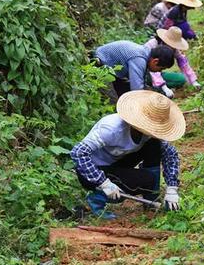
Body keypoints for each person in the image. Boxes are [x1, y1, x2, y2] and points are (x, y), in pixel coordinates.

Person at [70, 90, 185, 219]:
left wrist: (172, 188)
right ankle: (97, 198)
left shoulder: (150, 135)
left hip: (117, 162)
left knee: (154, 146)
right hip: (93, 171)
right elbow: (78, 152)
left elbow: (170, 154)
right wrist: (103, 182)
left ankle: (152, 199)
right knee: (147, 179)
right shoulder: (111, 129)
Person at [93, 40, 175, 98]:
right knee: (114, 103)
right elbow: (137, 91)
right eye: (161, 68)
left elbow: (143, 84)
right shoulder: (139, 59)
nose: (159, 71)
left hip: (112, 70)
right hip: (100, 66)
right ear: (155, 61)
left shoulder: (146, 53)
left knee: (125, 95)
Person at [144, 27, 200, 99]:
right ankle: (154, 87)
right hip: (146, 72)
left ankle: (155, 87)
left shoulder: (174, 49)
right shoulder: (152, 45)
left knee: (181, 79)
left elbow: (184, 64)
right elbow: (153, 67)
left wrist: (193, 81)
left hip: (158, 73)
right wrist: (163, 86)